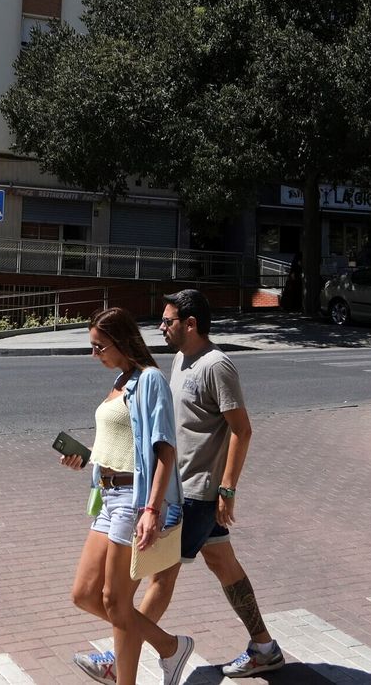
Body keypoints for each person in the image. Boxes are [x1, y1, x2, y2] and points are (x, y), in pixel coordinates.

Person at [88, 289, 284, 679]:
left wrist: (226, 489)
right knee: (223, 563)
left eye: (168, 321)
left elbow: (241, 431)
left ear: (190, 324)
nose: (160, 327)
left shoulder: (217, 366)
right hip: (183, 487)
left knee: (159, 576)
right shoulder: (180, 360)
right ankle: (264, 646)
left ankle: (122, 656)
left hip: (195, 492)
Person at [64, 308, 194, 685]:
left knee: (115, 601)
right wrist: (84, 459)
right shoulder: (120, 380)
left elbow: (164, 450)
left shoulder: (149, 379)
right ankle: (170, 646)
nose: (94, 355)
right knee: (85, 594)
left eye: (99, 346)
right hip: (106, 496)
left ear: (121, 341)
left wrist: (152, 508)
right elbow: (120, 444)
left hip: (132, 500)